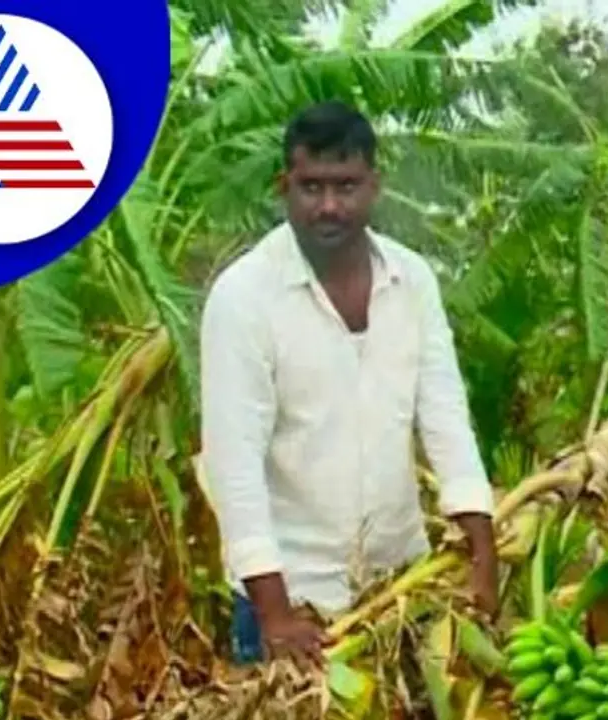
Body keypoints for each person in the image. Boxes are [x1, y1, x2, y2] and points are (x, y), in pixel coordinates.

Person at [199, 100, 499, 676]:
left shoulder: (412, 281)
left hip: (403, 587)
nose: (330, 205)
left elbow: (444, 417)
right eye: (311, 187)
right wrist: (275, 614)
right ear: (283, 186)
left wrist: (480, 550)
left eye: (346, 186)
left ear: (374, 186)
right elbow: (234, 468)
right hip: (293, 605)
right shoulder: (244, 299)